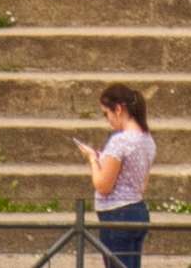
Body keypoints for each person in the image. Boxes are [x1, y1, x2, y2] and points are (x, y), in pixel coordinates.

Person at [77, 84, 154, 268]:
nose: (107, 120)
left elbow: (103, 186)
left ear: (118, 109)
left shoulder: (120, 141)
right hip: (138, 209)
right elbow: (142, 184)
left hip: (117, 214)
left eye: (106, 113)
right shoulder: (147, 139)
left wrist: (93, 160)